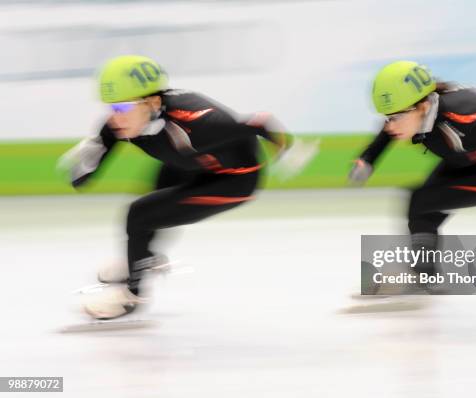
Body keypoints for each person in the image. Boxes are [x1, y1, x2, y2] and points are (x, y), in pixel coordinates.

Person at [60, 55, 312, 319]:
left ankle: (132, 295)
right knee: (152, 196)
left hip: (234, 180)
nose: (114, 117)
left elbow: (258, 122)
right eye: (110, 108)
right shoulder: (125, 121)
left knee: (139, 215)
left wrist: (288, 148)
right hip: (191, 165)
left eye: (121, 108)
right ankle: (143, 258)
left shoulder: (197, 122)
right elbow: (105, 140)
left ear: (153, 102)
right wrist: (88, 165)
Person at [349, 61, 476, 288]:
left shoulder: (465, 126)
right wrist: (368, 160)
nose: (390, 126)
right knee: (422, 212)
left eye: (396, 117)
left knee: (420, 201)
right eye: (388, 117)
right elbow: (391, 127)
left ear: (423, 107)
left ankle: (422, 276)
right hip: (466, 159)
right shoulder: (420, 107)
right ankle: (425, 276)